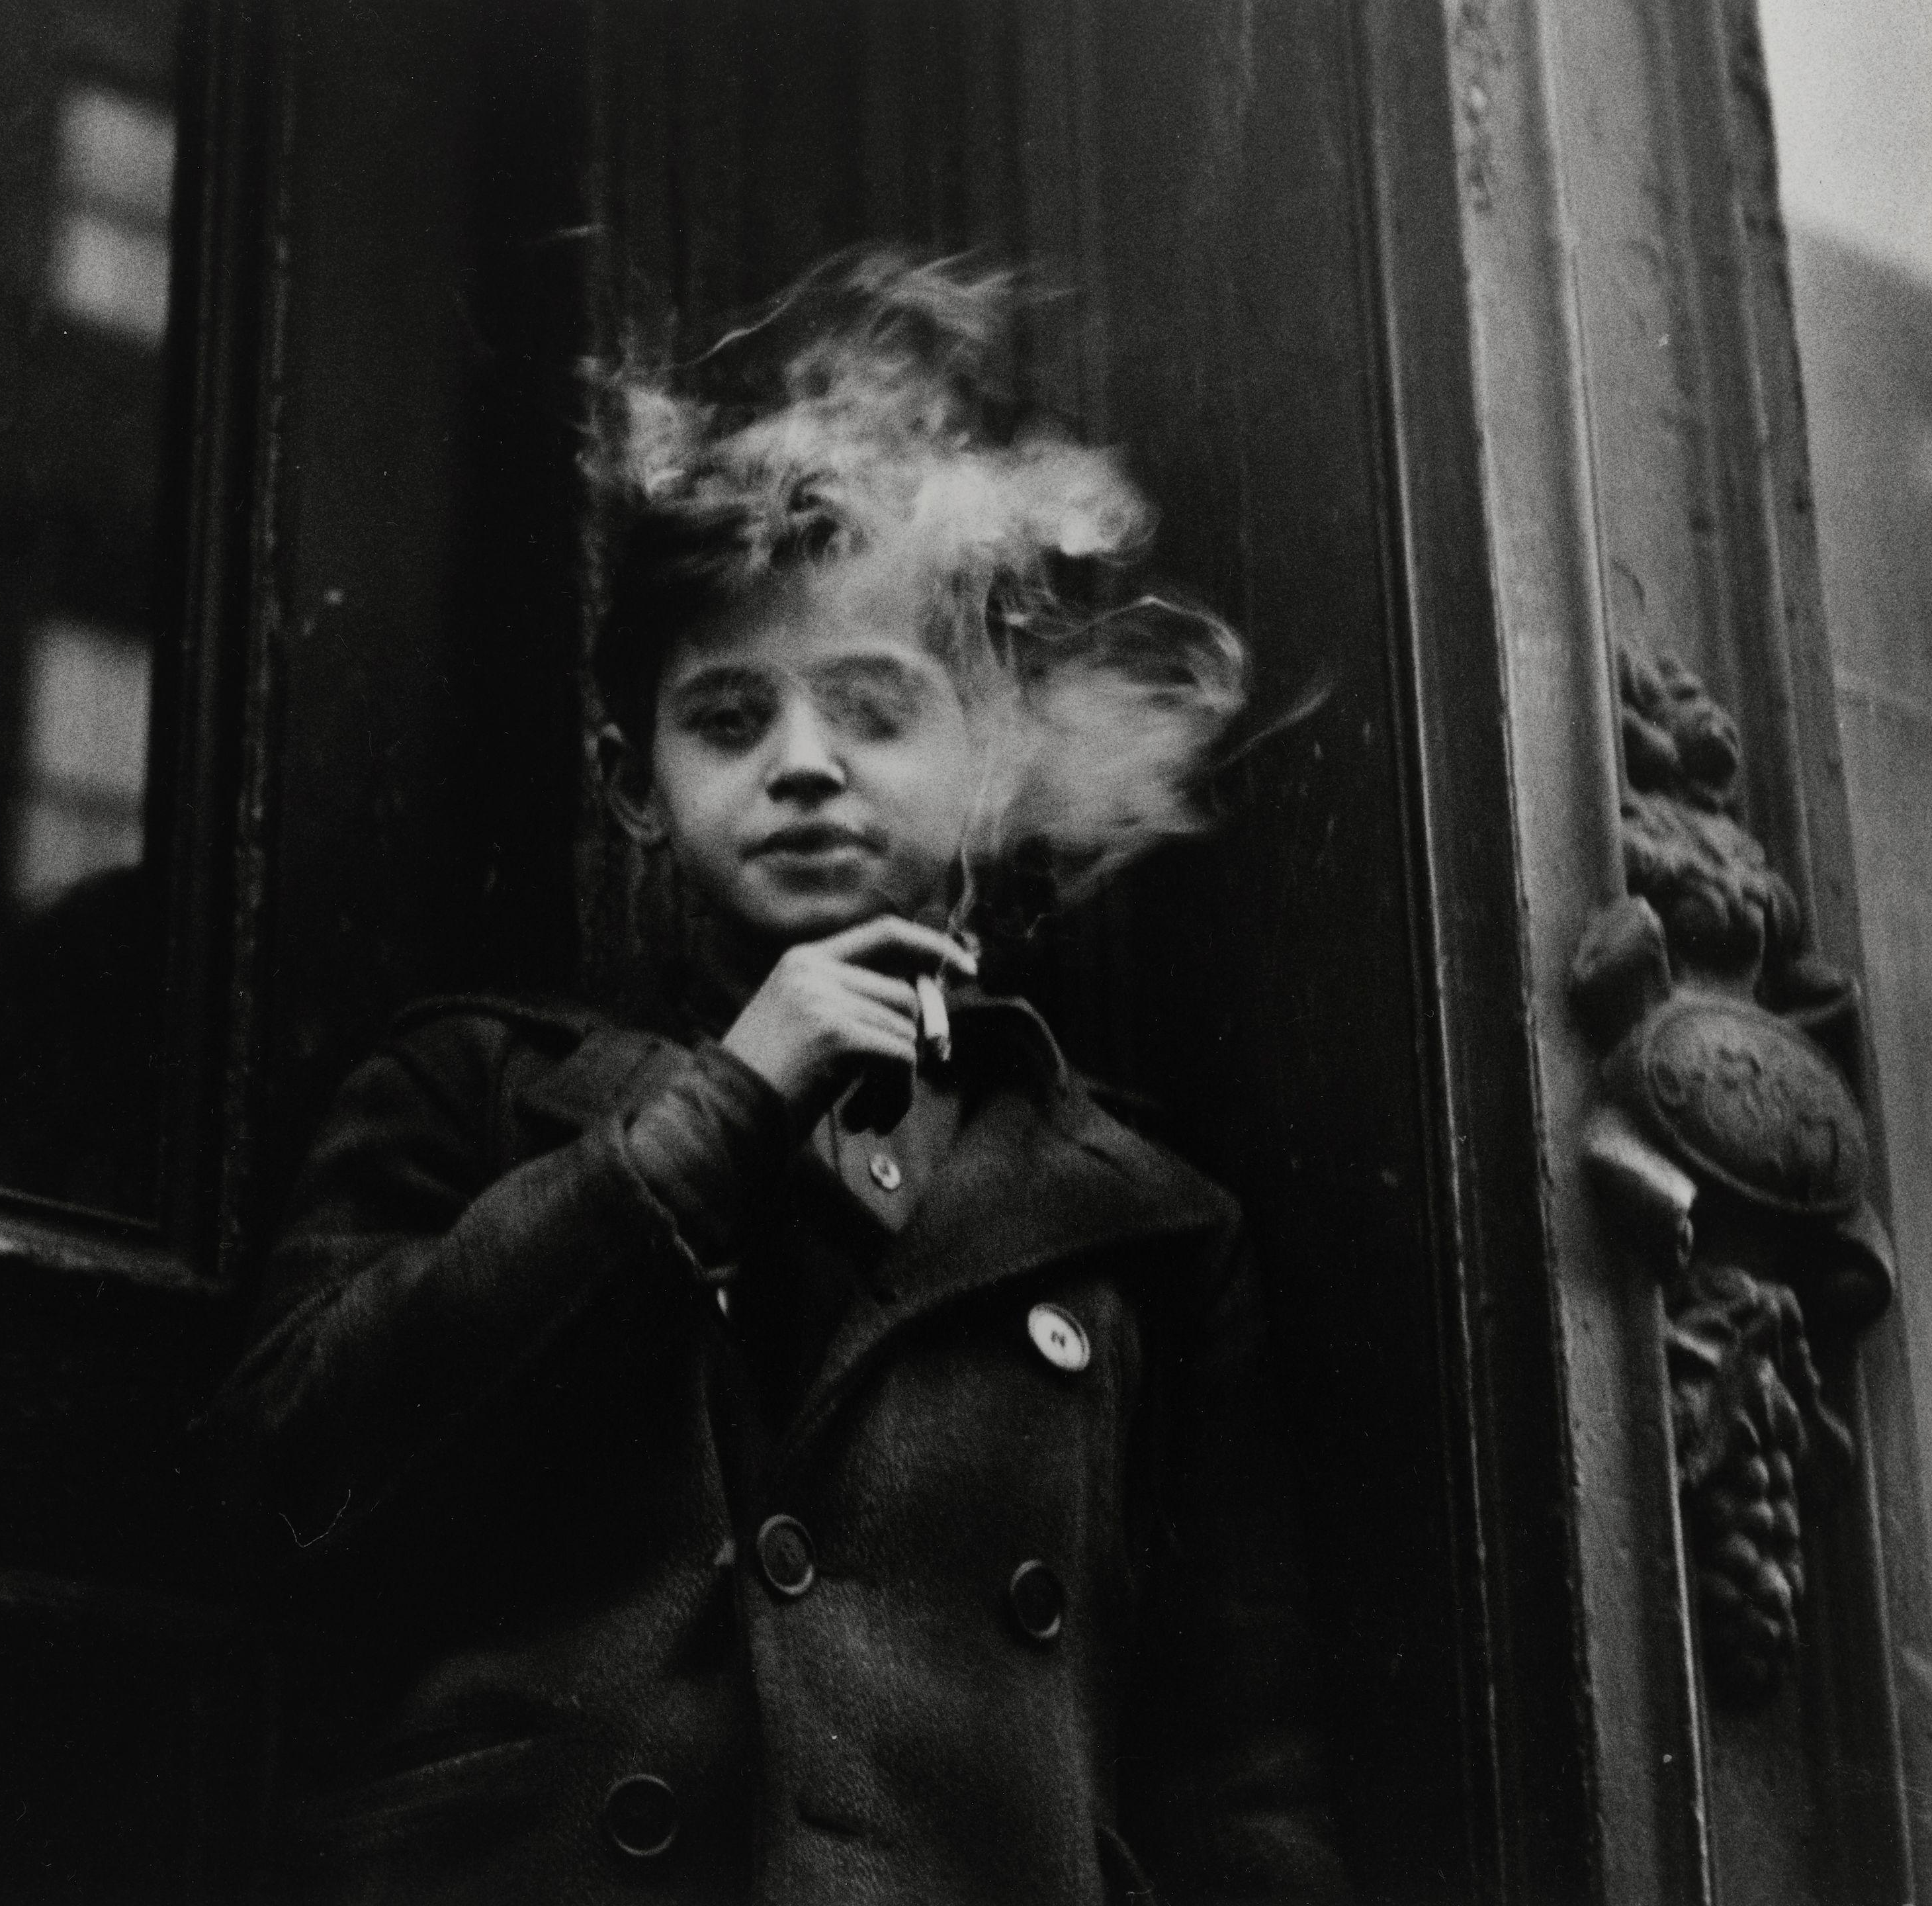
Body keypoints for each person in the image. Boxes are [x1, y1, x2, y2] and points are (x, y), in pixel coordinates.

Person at [204, 250, 1346, 1905]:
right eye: (730, 718)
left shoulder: (1146, 1224)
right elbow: (283, 1487)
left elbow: (1242, 1773)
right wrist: (712, 1120)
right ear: (632, 780)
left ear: (988, 758)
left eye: (873, 710)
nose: (802, 764)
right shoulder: (472, 1095)